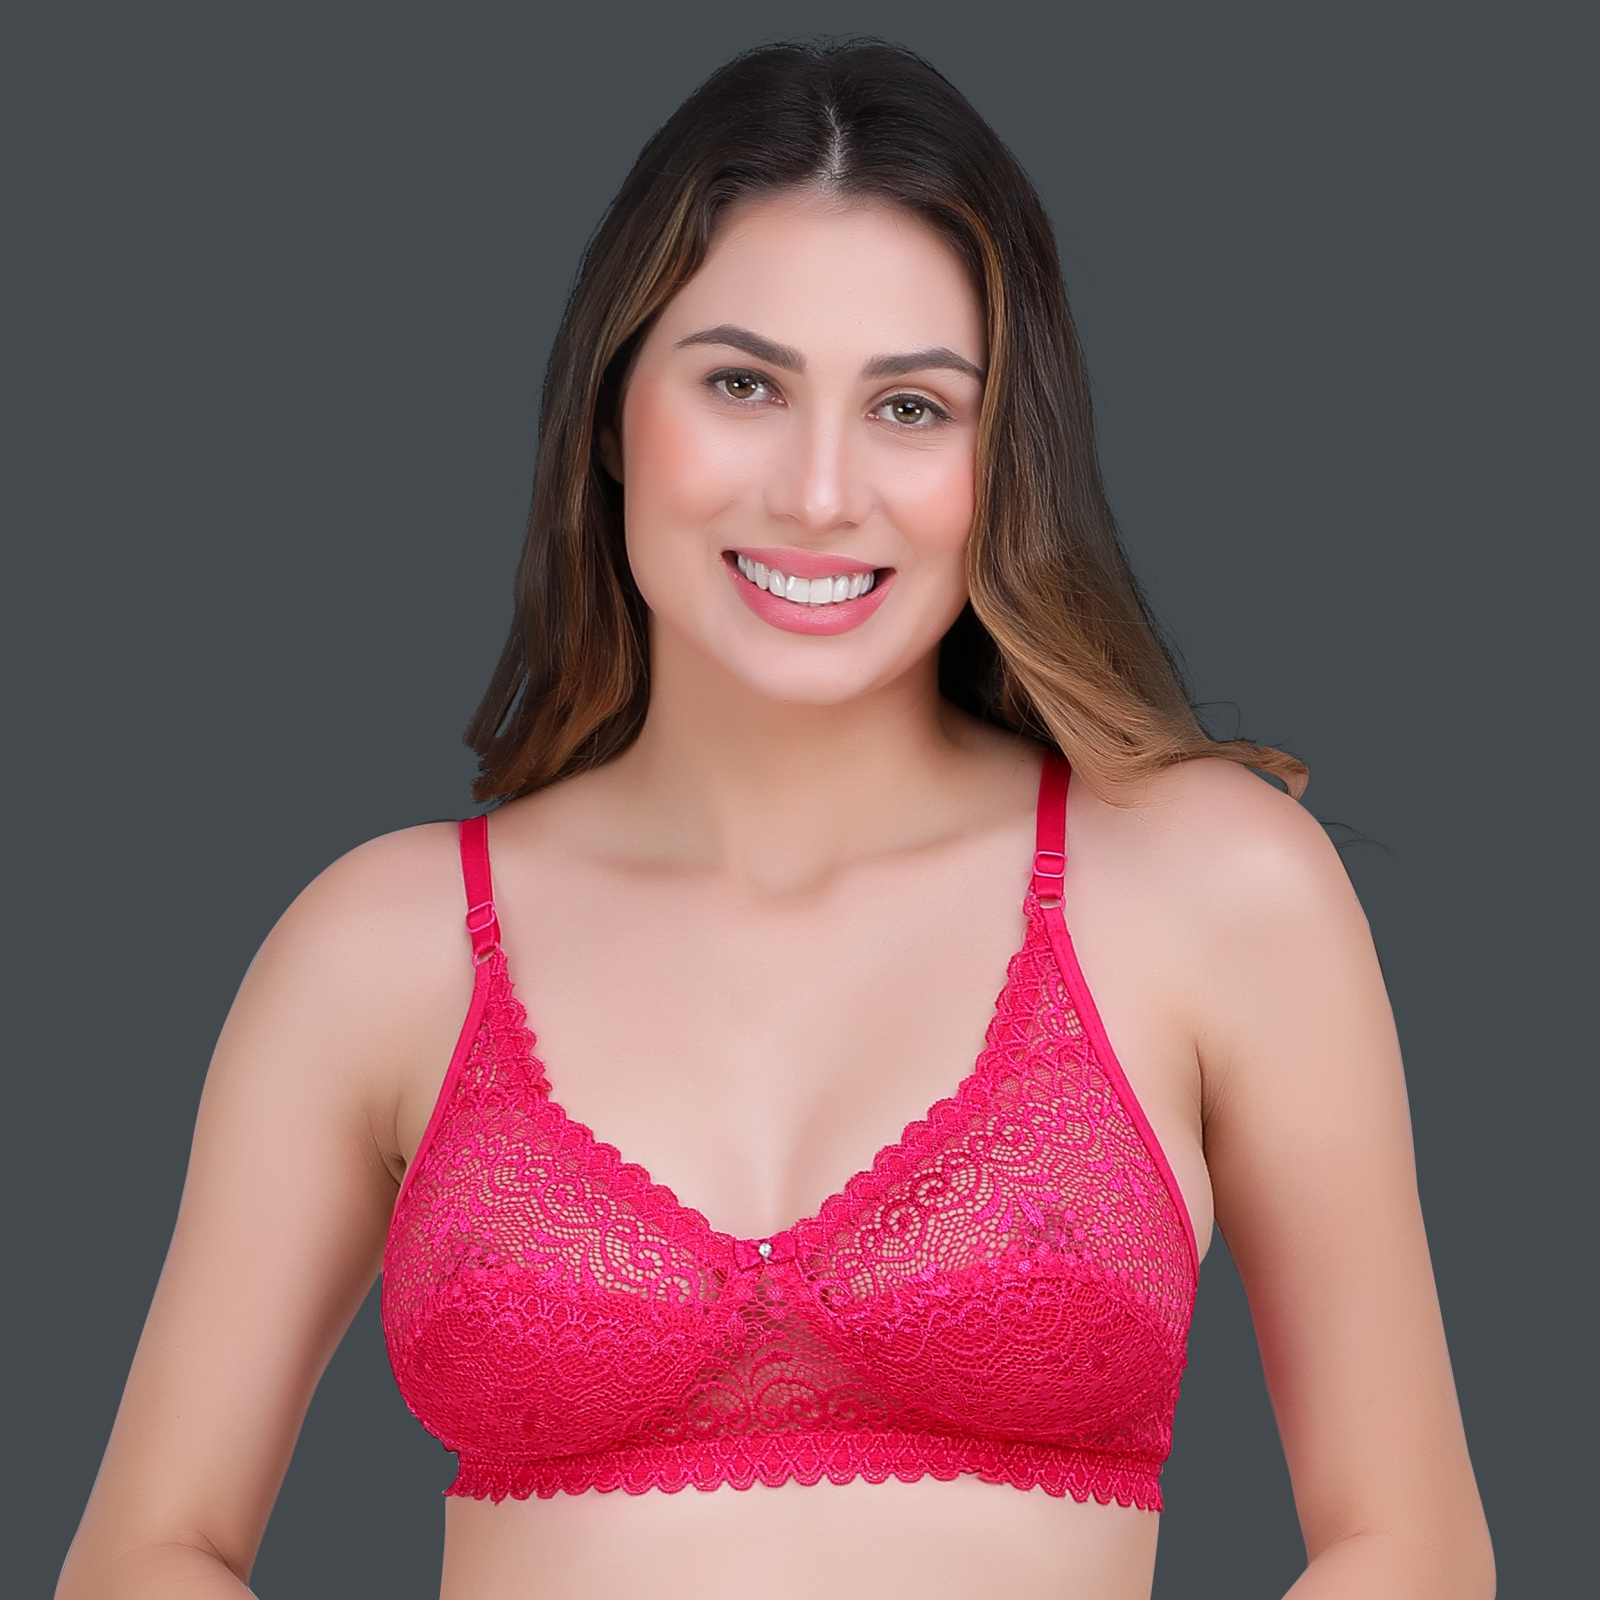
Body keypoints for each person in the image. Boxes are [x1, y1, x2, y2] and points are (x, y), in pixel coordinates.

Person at [56, 39, 1494, 1600]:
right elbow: (147, 1551)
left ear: (998, 461)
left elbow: (1410, 1544)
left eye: (911, 407)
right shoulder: (381, 947)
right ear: (614, 416)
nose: (818, 493)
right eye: (743, 383)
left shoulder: (1212, 888)